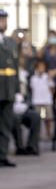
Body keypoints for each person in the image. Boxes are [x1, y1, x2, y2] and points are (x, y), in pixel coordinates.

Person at [0, 9, 19, 168]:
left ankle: (3, 155)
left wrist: (18, 91)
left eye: (4, 19)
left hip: (8, 89)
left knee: (6, 124)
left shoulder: (11, 42)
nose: (3, 23)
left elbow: (15, 67)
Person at [28, 58, 55, 141]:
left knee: (48, 118)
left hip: (47, 101)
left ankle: (48, 132)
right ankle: (38, 134)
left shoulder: (47, 77)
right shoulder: (33, 78)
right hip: (37, 102)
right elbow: (32, 89)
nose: (41, 69)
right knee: (37, 119)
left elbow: (52, 89)